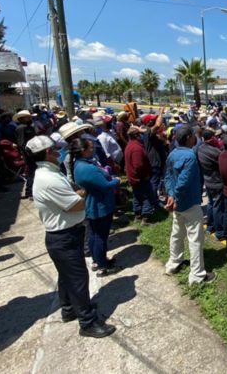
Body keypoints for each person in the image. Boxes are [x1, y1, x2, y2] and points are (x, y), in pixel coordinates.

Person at [26, 136, 116, 338]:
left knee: (67, 276)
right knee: (78, 278)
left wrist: (78, 193)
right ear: (47, 153)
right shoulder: (48, 179)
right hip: (63, 236)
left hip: (65, 233)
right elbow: (75, 204)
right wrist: (83, 194)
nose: (60, 153)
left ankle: (68, 309)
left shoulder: (49, 173)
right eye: (55, 151)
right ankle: (88, 322)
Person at [164, 125, 217, 285]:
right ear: (188, 138)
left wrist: (171, 195)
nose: (196, 138)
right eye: (193, 136)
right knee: (195, 239)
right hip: (189, 203)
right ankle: (197, 275)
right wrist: (176, 196)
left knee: (177, 233)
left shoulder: (172, 154)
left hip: (177, 204)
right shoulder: (190, 157)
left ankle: (174, 263)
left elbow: (167, 177)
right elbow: (183, 182)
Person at [69, 138, 122, 277]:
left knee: (94, 234)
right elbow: (104, 186)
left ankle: (97, 260)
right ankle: (103, 266)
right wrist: (116, 181)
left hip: (94, 204)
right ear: (83, 150)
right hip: (100, 206)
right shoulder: (87, 168)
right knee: (100, 237)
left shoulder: (80, 164)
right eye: (91, 148)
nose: (93, 150)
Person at [125, 125, 160, 224]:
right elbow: (138, 165)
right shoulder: (136, 148)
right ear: (137, 135)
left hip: (133, 177)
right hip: (140, 178)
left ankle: (138, 215)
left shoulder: (130, 145)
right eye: (140, 134)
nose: (142, 136)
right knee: (146, 197)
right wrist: (145, 175)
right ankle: (146, 217)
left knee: (137, 196)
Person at [197, 127, 225, 236]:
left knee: (210, 203)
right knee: (218, 206)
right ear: (212, 137)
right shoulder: (216, 152)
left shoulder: (200, 148)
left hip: (207, 180)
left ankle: (210, 226)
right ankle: (219, 231)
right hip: (217, 182)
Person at [15, 110, 37, 199]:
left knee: (32, 172)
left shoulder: (29, 127)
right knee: (32, 172)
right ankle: (30, 192)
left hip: (33, 152)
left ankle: (30, 191)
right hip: (29, 154)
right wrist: (28, 154)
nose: (30, 118)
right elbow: (21, 143)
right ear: (22, 119)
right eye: (27, 117)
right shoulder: (21, 128)